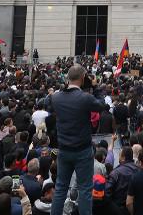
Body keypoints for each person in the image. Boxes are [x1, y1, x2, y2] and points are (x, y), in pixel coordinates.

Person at [49, 64, 109, 215]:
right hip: (82, 151)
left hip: (64, 150)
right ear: (83, 78)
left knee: (60, 188)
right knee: (85, 190)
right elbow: (102, 105)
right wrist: (95, 87)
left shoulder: (56, 98)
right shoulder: (85, 98)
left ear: (68, 78)